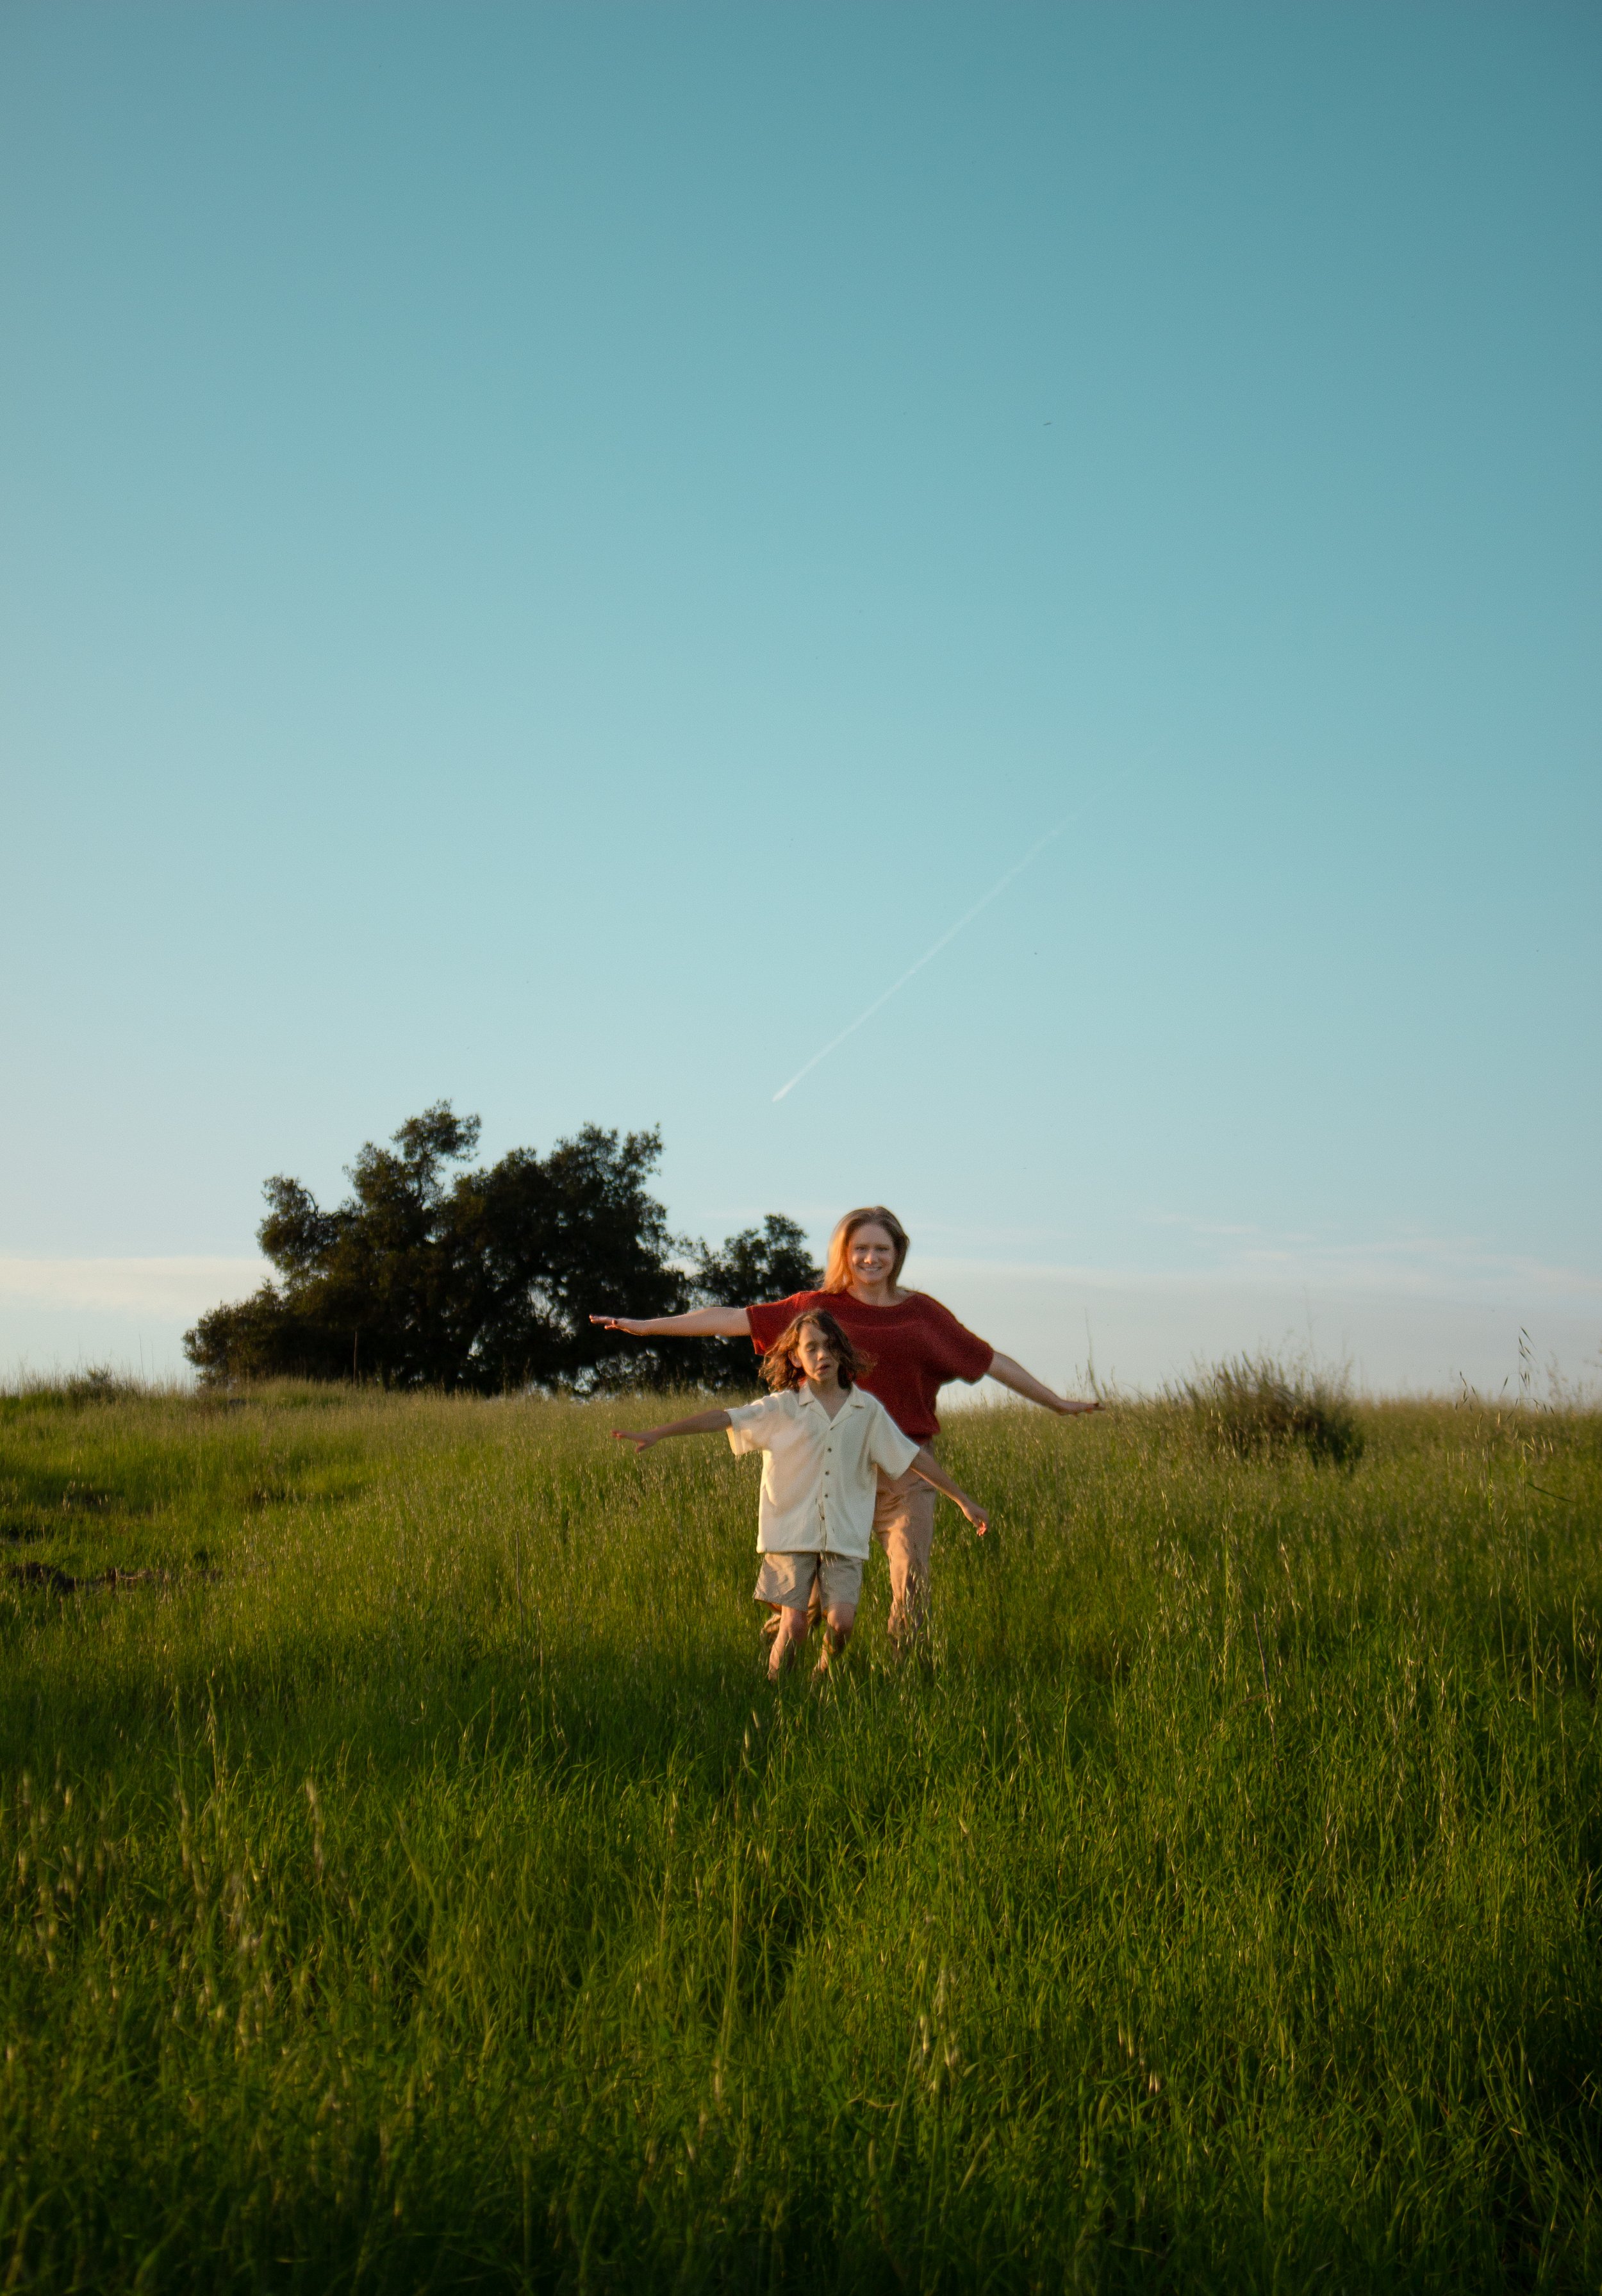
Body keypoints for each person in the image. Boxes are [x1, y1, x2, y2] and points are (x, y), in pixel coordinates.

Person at [592, 1204, 1099, 1644]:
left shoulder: (923, 1315)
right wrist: (646, 1326)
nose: (871, 1259)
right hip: (828, 1471)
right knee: (811, 1605)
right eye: (860, 1249)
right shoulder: (817, 1309)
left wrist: (1054, 1402)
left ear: (898, 1254)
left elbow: (987, 1359)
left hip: (906, 1470)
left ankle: (903, 1680)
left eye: (882, 1249)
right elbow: (733, 1318)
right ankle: (794, 1653)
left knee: (911, 1582)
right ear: (844, 1253)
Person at [611, 1308, 988, 1679]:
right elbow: (724, 1417)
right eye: (811, 1348)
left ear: (842, 1351)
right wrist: (659, 1432)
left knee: (841, 1624)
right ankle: (777, 1692)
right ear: (795, 1356)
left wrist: (963, 1500)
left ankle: (820, 1676)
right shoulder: (782, 1408)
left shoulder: (866, 1411)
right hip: (791, 1533)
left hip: (844, 1537)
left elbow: (912, 1458)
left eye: (829, 1346)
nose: (822, 1355)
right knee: (794, 1626)